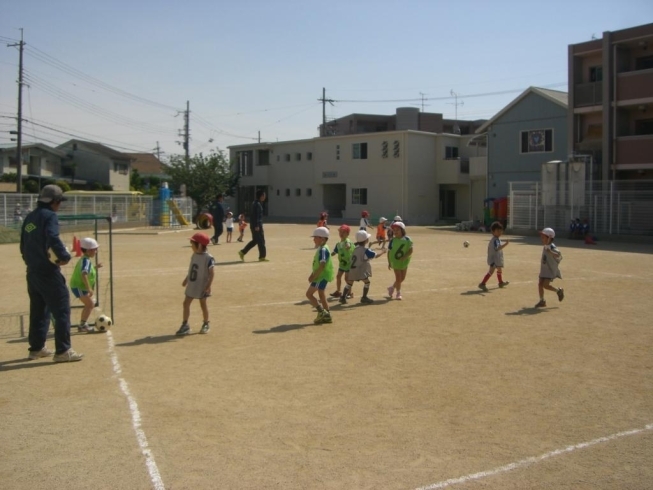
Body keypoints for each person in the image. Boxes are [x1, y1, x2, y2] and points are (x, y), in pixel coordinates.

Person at [20, 184, 83, 362]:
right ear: (54, 202)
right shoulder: (49, 216)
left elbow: (23, 244)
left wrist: (30, 260)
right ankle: (63, 351)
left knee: (38, 310)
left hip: (32, 271)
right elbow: (52, 237)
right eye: (59, 202)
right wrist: (64, 256)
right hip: (48, 271)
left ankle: (36, 348)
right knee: (61, 309)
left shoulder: (30, 217)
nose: (60, 205)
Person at [176, 232, 215, 335]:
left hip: (202, 286)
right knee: (186, 303)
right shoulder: (194, 255)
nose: (191, 247)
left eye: (193, 244)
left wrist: (208, 286)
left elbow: (211, 274)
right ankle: (185, 325)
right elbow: (191, 269)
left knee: (203, 304)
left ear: (200, 245)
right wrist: (186, 279)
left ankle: (206, 323)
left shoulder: (208, 258)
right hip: (192, 284)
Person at [340, 229, 386, 304]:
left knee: (349, 283)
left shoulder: (354, 248)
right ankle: (364, 297)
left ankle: (342, 297)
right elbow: (376, 255)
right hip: (360, 270)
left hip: (352, 269)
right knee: (367, 282)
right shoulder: (366, 250)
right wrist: (383, 252)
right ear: (366, 240)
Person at [70, 237, 103, 333]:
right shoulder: (85, 261)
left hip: (80, 286)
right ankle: (82, 325)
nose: (96, 251)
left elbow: (87, 270)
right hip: (79, 286)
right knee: (90, 305)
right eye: (94, 249)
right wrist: (89, 288)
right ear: (88, 251)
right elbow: (83, 274)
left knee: (89, 304)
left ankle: (82, 324)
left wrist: (95, 267)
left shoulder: (86, 259)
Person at [306, 227, 334, 324]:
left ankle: (321, 312)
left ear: (322, 238)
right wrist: (312, 274)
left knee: (309, 294)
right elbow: (317, 264)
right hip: (321, 276)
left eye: (315, 237)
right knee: (321, 295)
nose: (313, 239)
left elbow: (322, 265)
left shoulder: (323, 250)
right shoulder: (323, 248)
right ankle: (327, 315)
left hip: (320, 276)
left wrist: (314, 276)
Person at [535, 227, 565, 308]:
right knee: (540, 284)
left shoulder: (552, 247)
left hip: (549, 270)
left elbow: (559, 255)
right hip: (544, 268)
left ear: (549, 238)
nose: (541, 238)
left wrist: (550, 252)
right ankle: (542, 301)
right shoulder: (546, 245)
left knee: (545, 285)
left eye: (543, 237)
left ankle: (559, 291)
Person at [478, 221, 510, 292]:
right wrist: (506, 244)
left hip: (496, 259)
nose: (499, 232)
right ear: (493, 231)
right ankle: (482, 283)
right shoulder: (495, 240)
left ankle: (500, 282)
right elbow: (497, 248)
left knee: (499, 269)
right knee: (491, 272)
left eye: (500, 230)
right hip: (493, 259)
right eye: (497, 231)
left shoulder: (496, 239)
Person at [238, 189, 268, 262]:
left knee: (255, 241)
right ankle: (262, 257)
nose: (265, 196)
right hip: (257, 226)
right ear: (261, 196)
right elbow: (256, 216)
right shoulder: (257, 204)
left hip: (255, 225)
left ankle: (242, 252)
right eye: (264, 195)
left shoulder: (255, 203)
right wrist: (257, 225)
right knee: (261, 241)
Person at [387, 221, 413, 300]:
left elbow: (411, 250)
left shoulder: (407, 239)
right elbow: (389, 252)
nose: (395, 232)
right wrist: (389, 262)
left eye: (397, 230)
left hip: (404, 261)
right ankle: (398, 293)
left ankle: (392, 287)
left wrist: (405, 257)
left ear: (402, 230)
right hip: (395, 261)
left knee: (402, 278)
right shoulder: (392, 241)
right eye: (394, 230)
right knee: (398, 278)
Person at [329, 224, 354, 299]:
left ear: (347, 233)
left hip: (348, 264)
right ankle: (338, 291)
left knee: (347, 279)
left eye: (343, 232)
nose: (341, 234)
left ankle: (350, 293)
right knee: (338, 276)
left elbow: (348, 244)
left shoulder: (347, 241)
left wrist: (348, 246)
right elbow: (334, 252)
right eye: (340, 232)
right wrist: (329, 255)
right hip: (342, 264)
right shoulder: (338, 244)